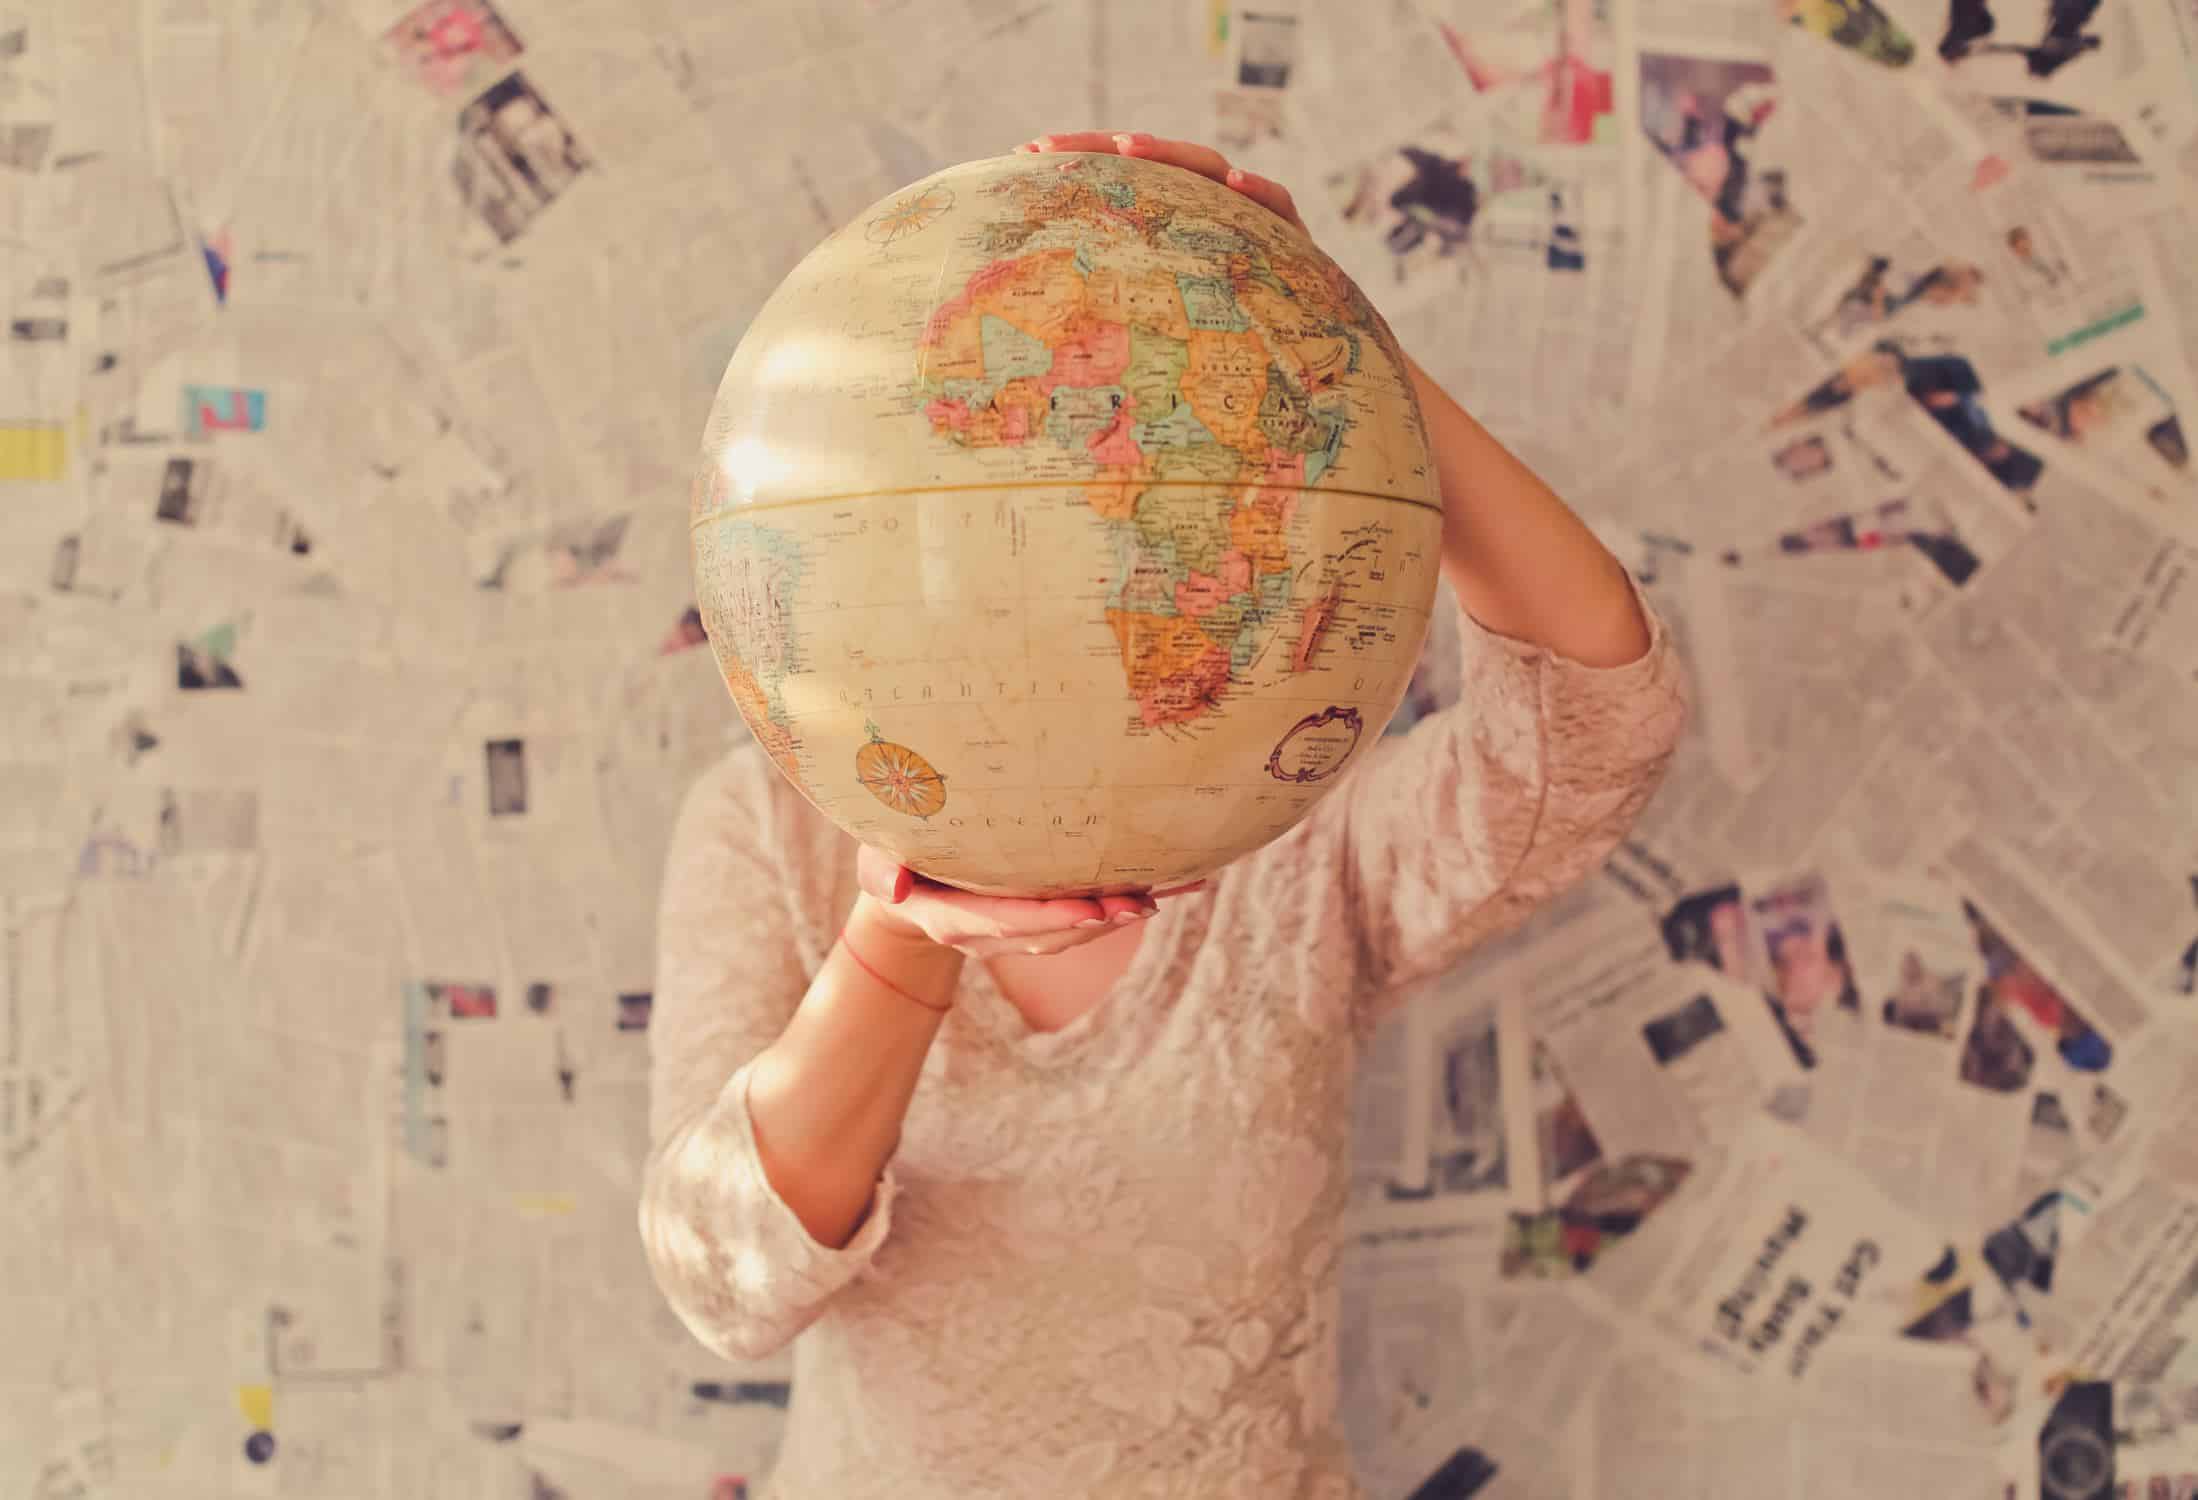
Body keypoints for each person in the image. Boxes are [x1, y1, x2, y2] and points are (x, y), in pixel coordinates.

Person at [638, 131, 1689, 1499]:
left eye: (1110, 473)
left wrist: (1333, 347)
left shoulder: (1287, 819)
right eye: (1002, 469)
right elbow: (729, 1286)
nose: (1046, 514)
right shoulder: (762, 825)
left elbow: (1596, 712)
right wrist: (898, 947)